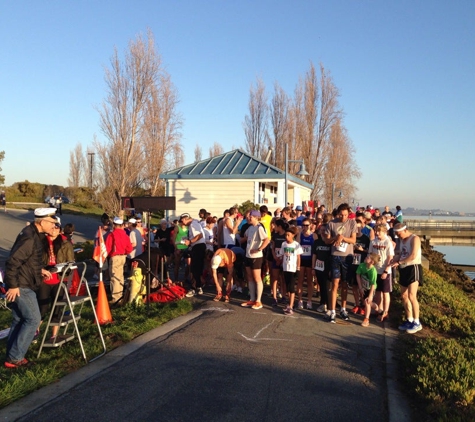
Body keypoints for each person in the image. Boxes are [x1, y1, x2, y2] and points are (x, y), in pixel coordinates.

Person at [4, 207, 58, 368]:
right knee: (33, 319)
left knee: (19, 319)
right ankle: (16, 357)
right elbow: (13, 262)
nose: (54, 226)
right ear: (43, 222)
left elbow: (28, 260)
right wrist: (13, 286)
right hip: (22, 286)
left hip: (23, 282)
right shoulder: (29, 237)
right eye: (52, 223)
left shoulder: (32, 234)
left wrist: (39, 270)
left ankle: (11, 355)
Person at [37, 217, 75, 340]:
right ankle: (35, 332)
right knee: (42, 307)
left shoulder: (65, 243)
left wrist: (65, 271)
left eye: (57, 227)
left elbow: (70, 262)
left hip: (59, 279)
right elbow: (35, 260)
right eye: (53, 227)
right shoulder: (41, 241)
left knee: (57, 307)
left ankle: (54, 334)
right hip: (44, 279)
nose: (54, 229)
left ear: (60, 229)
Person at [324, 203, 357, 323]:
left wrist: (342, 238)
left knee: (344, 284)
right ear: (337, 213)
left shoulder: (352, 223)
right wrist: (335, 238)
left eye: (345, 215)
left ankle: (343, 309)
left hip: (347, 257)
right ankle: (332, 310)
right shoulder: (331, 223)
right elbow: (327, 240)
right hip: (335, 256)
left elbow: (353, 240)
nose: (343, 217)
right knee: (335, 284)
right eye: (341, 215)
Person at [391, 223, 423, 334]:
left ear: (404, 230)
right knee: (404, 295)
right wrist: (394, 260)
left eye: (398, 233)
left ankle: (417, 321)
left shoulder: (415, 238)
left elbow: (413, 255)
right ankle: (409, 319)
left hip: (413, 268)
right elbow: (402, 254)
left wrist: (399, 261)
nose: (397, 235)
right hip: (403, 268)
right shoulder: (402, 240)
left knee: (412, 295)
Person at [241, 210, 270, 310]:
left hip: (256, 256)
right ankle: (252, 299)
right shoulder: (250, 228)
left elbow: (267, 239)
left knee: (257, 278)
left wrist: (259, 249)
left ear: (256, 217)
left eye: (251, 217)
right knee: (249, 277)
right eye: (249, 216)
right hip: (248, 255)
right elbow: (244, 237)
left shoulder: (259, 227)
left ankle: (258, 301)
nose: (249, 218)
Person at [368, 224, 395, 322]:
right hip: (375, 270)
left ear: (385, 232)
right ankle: (379, 310)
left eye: (379, 231)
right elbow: (370, 254)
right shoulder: (373, 241)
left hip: (385, 270)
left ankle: (385, 311)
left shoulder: (388, 242)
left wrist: (386, 271)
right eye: (376, 231)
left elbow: (390, 258)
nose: (377, 233)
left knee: (385, 292)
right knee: (377, 292)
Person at [105, 217, 133, 304]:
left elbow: (107, 248)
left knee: (114, 278)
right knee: (120, 277)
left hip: (115, 257)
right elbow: (130, 248)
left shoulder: (112, 235)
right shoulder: (125, 235)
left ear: (114, 225)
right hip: (123, 257)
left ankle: (116, 298)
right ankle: (120, 295)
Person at [181, 213, 207, 297]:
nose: (182, 223)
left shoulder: (193, 224)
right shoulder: (195, 223)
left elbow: (199, 235)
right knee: (197, 268)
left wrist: (190, 241)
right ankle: (198, 287)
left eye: (182, 221)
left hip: (198, 247)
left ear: (185, 219)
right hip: (199, 246)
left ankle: (193, 288)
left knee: (194, 268)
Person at [280, 226, 303, 315]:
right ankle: (290, 304)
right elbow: (282, 255)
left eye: (288, 235)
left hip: (293, 269)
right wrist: (282, 265)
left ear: (293, 235)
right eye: (285, 235)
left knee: (291, 287)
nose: (286, 236)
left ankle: (291, 306)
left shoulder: (296, 245)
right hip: (286, 268)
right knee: (288, 286)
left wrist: (298, 268)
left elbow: (298, 257)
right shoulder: (284, 244)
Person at [296, 218, 316, 309]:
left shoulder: (314, 236)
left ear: (311, 225)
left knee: (309, 282)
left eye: (307, 225)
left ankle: (309, 301)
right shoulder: (299, 235)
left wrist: (314, 264)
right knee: (300, 281)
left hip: (310, 260)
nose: (305, 227)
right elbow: (296, 247)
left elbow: (316, 250)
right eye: (303, 225)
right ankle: (300, 300)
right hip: (301, 260)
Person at [356, 253, 380, 327]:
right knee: (367, 302)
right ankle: (380, 310)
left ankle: (366, 319)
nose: (366, 258)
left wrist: (370, 295)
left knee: (367, 301)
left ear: (372, 262)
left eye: (368, 258)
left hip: (371, 289)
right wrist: (360, 287)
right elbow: (358, 275)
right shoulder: (362, 265)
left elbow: (373, 284)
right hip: (364, 287)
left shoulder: (373, 271)